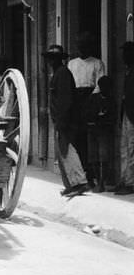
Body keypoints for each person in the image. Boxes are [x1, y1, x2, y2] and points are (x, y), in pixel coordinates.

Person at [44, 44, 89, 197]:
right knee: (61, 152)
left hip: (66, 120)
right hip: (61, 119)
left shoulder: (62, 74)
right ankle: (71, 184)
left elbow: (66, 100)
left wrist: (62, 121)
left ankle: (79, 182)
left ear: (58, 60)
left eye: (53, 58)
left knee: (67, 150)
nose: (50, 61)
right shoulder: (59, 73)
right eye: (50, 58)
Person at [68, 32, 106, 184]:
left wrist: (90, 101)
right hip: (76, 101)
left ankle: (91, 175)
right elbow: (70, 84)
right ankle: (80, 173)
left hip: (90, 100)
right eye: (80, 45)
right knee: (77, 138)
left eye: (85, 45)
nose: (82, 48)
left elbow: (100, 84)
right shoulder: (72, 64)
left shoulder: (97, 63)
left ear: (89, 46)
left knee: (89, 138)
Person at [85, 76, 116, 193]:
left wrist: (98, 119)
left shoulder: (111, 101)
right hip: (93, 130)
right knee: (93, 157)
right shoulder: (93, 98)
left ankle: (102, 182)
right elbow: (87, 113)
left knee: (103, 156)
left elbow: (111, 118)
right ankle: (98, 181)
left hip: (103, 131)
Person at [116, 41, 134, 195]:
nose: (123, 57)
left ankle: (130, 182)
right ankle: (126, 179)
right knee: (125, 148)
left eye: (127, 53)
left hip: (132, 115)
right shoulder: (128, 72)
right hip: (127, 114)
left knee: (131, 148)